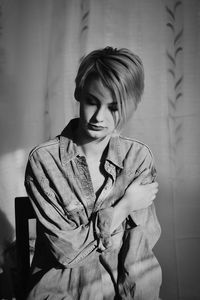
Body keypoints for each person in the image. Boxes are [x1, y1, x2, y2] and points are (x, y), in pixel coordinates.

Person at [24, 46, 162, 300]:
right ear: (78, 92)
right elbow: (66, 253)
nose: (100, 117)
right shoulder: (44, 161)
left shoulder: (137, 158)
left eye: (113, 107)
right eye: (92, 102)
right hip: (59, 293)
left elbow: (139, 258)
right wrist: (124, 207)